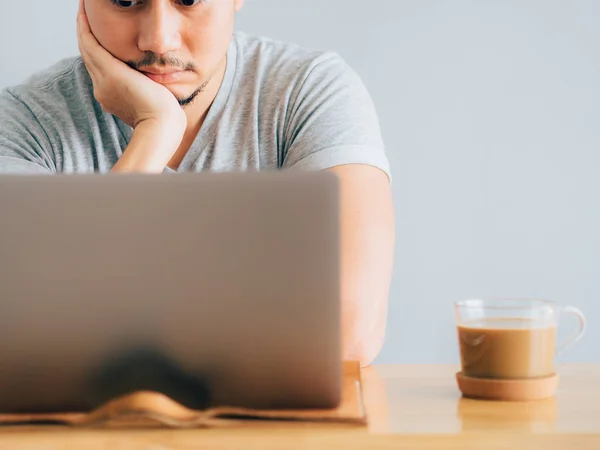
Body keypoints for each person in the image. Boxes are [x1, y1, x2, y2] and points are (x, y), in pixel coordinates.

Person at [0, 0, 395, 366]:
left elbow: (349, 334)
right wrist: (154, 135)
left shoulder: (309, 90)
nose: (158, 39)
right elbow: (25, 343)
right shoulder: (24, 121)